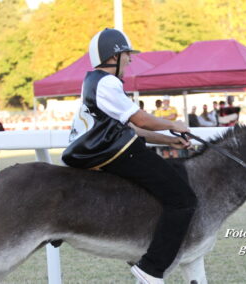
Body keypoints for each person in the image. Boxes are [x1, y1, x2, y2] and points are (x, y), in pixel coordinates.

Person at [62, 28, 197, 284]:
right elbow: (141, 119)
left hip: (110, 150)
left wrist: (171, 140)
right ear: (114, 56)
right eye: (127, 55)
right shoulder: (108, 82)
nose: (130, 60)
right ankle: (151, 268)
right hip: (117, 154)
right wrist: (175, 124)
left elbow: (133, 128)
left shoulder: (92, 81)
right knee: (184, 200)